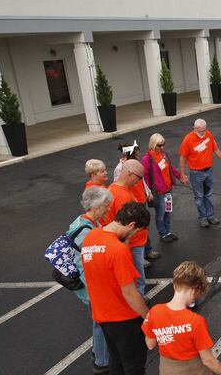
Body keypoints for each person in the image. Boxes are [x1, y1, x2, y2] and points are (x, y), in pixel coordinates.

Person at [81, 201, 151, 375]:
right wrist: (148, 318)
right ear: (132, 224)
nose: (134, 236)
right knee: (134, 365)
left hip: (102, 315)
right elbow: (129, 293)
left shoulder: (91, 237)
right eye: (136, 231)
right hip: (124, 317)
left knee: (116, 361)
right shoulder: (118, 251)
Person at [143, 261, 221, 375]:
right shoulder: (196, 321)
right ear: (195, 290)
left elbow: (150, 344)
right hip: (194, 370)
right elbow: (207, 360)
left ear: (174, 285)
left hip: (167, 369)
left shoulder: (154, 312)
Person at [69, 187, 114, 374]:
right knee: (100, 323)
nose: (108, 210)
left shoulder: (83, 222)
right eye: (106, 206)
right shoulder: (85, 232)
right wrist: (97, 292)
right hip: (90, 289)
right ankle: (101, 362)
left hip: (90, 288)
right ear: (95, 206)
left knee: (99, 322)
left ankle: (99, 355)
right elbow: (83, 267)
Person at [104, 159, 152, 291]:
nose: (139, 181)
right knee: (136, 276)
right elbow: (124, 227)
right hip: (133, 244)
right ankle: (138, 300)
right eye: (139, 177)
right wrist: (125, 248)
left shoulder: (115, 189)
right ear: (130, 174)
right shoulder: (122, 196)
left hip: (133, 243)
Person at [178, 119, 221, 228]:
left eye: (204, 130)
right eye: (201, 131)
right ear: (195, 129)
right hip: (196, 172)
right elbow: (182, 157)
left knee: (209, 194)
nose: (203, 133)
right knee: (199, 196)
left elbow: (215, 149)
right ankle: (203, 217)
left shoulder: (208, 135)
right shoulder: (188, 139)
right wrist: (182, 174)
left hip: (208, 170)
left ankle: (210, 216)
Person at [142, 133, 187, 244]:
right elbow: (145, 177)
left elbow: (170, 168)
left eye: (163, 145)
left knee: (167, 211)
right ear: (153, 145)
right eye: (159, 145)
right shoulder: (147, 159)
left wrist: (179, 176)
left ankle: (168, 231)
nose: (162, 147)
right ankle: (162, 233)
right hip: (158, 192)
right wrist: (148, 192)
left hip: (168, 189)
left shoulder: (164, 154)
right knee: (160, 213)